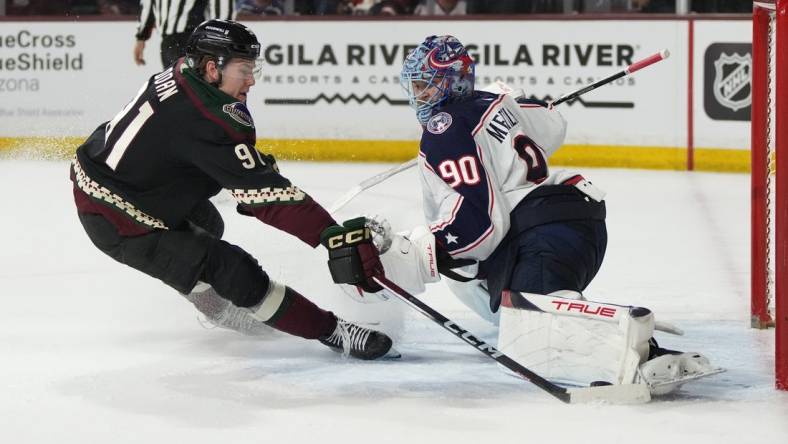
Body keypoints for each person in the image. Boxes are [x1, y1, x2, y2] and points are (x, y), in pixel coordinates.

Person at [329, 35, 721, 393]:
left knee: (536, 338)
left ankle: (640, 357)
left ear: (454, 80)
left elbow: (481, 225)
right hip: (573, 222)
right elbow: (551, 128)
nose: (419, 95)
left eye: (427, 84)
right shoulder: (494, 100)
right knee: (511, 318)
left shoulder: (442, 128)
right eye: (415, 85)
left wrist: (414, 256)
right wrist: (520, 104)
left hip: (543, 233)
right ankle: (639, 344)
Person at [70, 19, 395, 361]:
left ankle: (205, 290)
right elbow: (269, 197)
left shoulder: (185, 70)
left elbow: (186, 150)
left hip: (117, 180)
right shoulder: (203, 117)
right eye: (244, 69)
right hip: (119, 218)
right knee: (234, 271)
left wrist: (241, 171)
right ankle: (332, 331)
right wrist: (331, 234)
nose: (252, 79)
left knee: (209, 226)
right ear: (213, 68)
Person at [134, 0, 235, 68]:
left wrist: (141, 37)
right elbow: (222, 8)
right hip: (188, 40)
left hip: (181, 40)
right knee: (192, 91)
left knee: (182, 90)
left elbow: (147, 6)